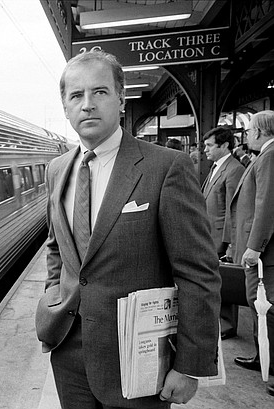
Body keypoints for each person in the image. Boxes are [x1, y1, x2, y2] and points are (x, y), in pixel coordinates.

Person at [35, 50, 221, 409]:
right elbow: (56, 247)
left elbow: (197, 271)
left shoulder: (166, 167)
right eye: (76, 95)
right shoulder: (57, 170)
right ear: (65, 106)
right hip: (68, 355)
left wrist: (190, 364)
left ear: (120, 98)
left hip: (139, 359)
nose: (87, 105)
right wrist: (52, 301)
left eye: (100, 92)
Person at [226, 110, 274, 396]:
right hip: (260, 250)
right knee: (260, 307)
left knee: (267, 309)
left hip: (265, 254)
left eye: (249, 130)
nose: (246, 135)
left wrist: (254, 246)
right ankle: (263, 359)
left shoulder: (269, 157)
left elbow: (267, 204)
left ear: (258, 132)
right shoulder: (265, 156)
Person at [201, 126, 245, 340]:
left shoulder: (234, 169)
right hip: (210, 234)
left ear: (225, 145)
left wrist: (229, 242)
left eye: (209, 145)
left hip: (220, 237)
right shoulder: (217, 167)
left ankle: (227, 324)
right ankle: (219, 320)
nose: (204, 150)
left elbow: (233, 209)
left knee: (224, 281)